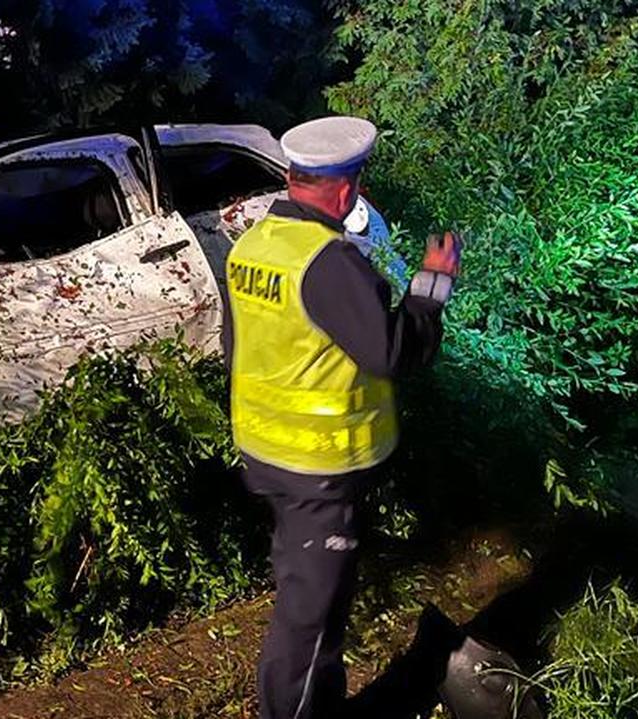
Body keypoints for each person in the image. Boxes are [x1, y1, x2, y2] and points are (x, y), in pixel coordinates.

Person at [220, 115, 462, 719]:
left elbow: (237, 345)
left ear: (288, 176)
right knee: (310, 618)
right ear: (348, 191)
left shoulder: (250, 247)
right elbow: (394, 351)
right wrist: (433, 284)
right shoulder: (330, 263)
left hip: (267, 453)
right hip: (319, 468)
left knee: (310, 596)